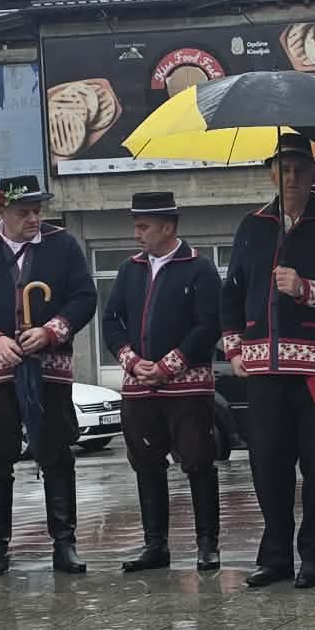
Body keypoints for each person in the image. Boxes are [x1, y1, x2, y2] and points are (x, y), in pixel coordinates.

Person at [220, 135, 315, 589]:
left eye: (301, 169)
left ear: (314, 174)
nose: (293, 177)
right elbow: (232, 293)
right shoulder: (253, 225)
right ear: (271, 173)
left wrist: (305, 289)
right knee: (268, 464)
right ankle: (276, 553)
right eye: (284, 169)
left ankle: (314, 552)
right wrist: (234, 347)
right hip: (264, 369)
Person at [0, 175, 98, 581]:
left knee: (56, 452)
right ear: (2, 210)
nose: (33, 219)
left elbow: (84, 297)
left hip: (49, 368)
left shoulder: (62, 244)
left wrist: (51, 331)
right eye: (23, 212)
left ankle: (64, 543)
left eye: (37, 211)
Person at [108, 191, 225, 574]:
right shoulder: (129, 270)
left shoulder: (200, 268)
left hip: (188, 386)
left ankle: (207, 544)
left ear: (168, 226)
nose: (137, 234)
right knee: (146, 463)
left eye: (144, 226)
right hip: (139, 386)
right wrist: (131, 361)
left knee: (198, 461)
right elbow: (111, 320)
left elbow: (209, 324)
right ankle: (155, 544)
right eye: (136, 226)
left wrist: (170, 364)